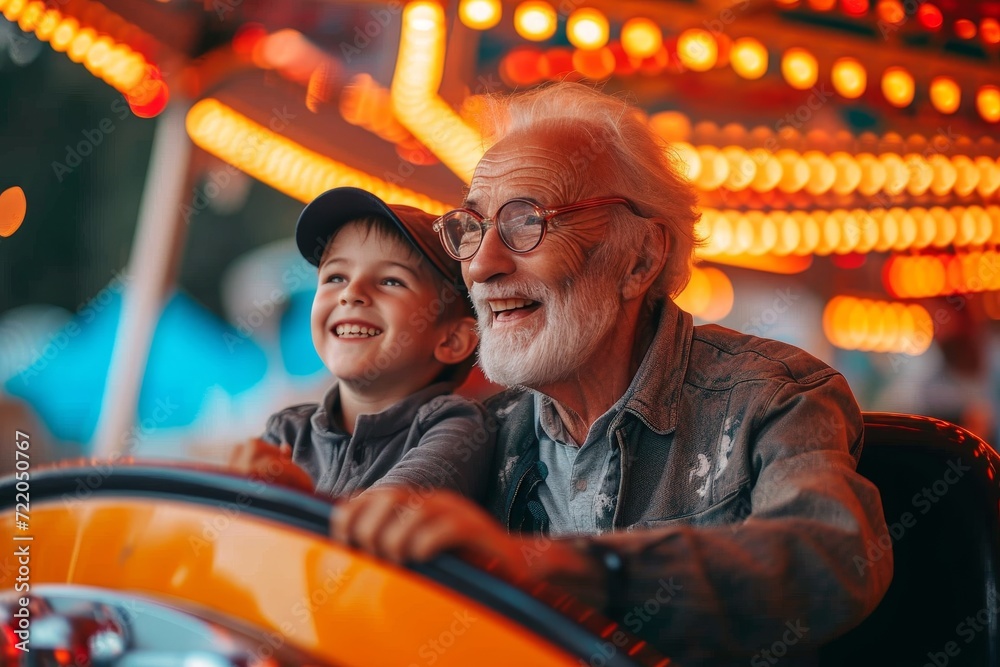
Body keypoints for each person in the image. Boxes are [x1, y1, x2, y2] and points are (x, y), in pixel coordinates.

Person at [331, 83, 893, 663]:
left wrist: (556, 567)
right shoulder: (484, 429)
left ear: (641, 258)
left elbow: (831, 558)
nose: (481, 266)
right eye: (471, 228)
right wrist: (305, 496)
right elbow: (368, 543)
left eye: (526, 222)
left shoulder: (771, 395)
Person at [229, 187, 492, 501]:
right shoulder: (288, 429)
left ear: (452, 339)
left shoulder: (456, 425)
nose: (350, 292)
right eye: (335, 277)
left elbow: (388, 516)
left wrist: (297, 501)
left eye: (391, 281)